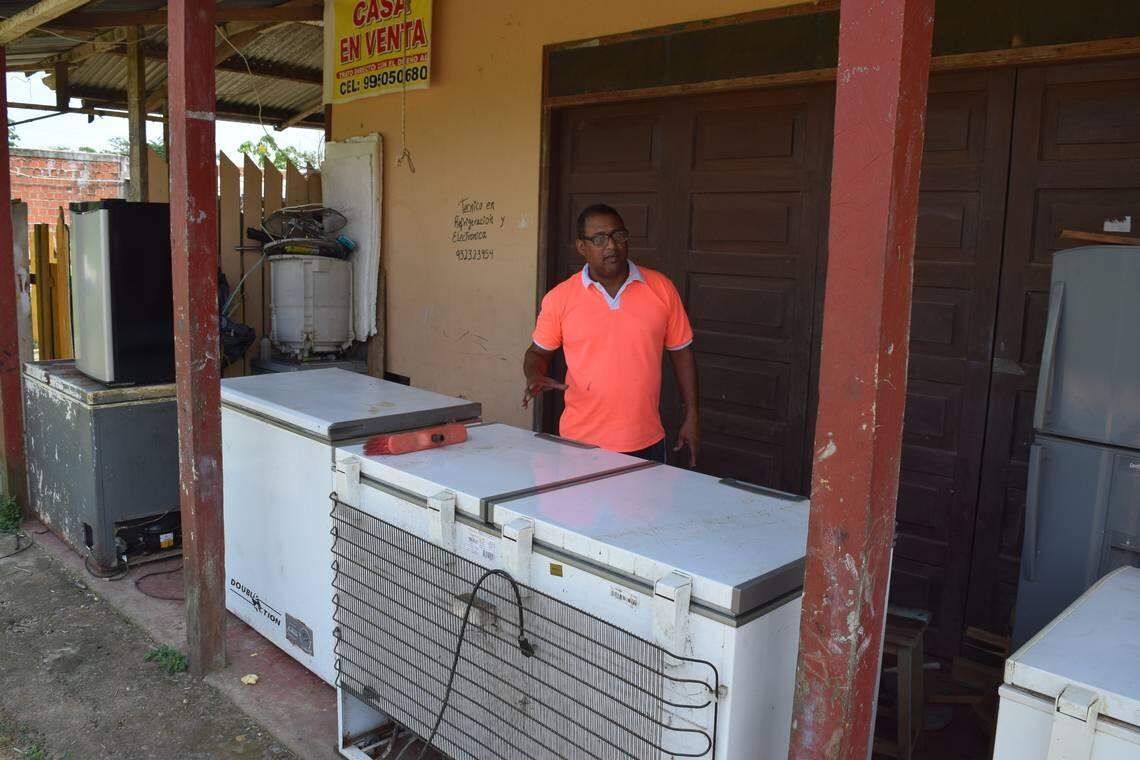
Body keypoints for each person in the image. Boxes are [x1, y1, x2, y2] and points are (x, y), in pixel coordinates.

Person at [523, 204, 700, 465]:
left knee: (647, 507)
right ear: (581, 247)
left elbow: (682, 353)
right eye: (599, 239)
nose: (611, 246)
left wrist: (692, 415)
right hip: (579, 444)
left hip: (646, 440)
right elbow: (537, 352)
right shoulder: (560, 298)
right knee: (580, 507)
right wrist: (534, 374)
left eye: (618, 236)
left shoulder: (661, 289)